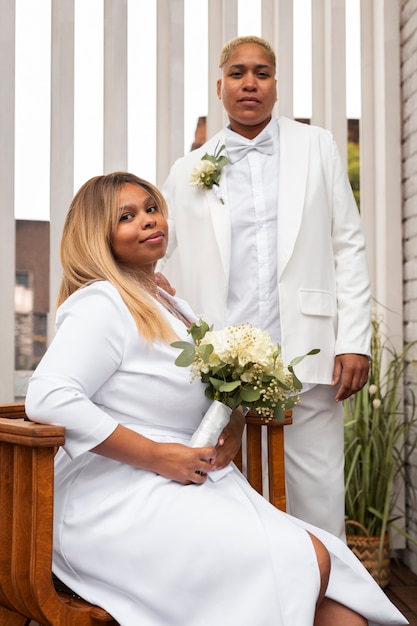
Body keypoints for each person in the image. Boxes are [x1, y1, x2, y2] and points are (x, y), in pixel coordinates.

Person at [24, 172, 407, 626]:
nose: (148, 220)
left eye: (151, 208)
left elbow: (208, 393)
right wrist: (158, 456)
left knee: (343, 609)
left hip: (190, 481)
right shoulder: (102, 303)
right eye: (127, 217)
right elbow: (48, 398)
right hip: (120, 491)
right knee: (310, 562)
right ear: (98, 236)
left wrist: (236, 422)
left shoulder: (173, 305)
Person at [159, 35, 372, 540]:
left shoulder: (316, 145)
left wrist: (354, 342)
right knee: (220, 495)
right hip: (219, 365)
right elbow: (157, 256)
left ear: (276, 85)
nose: (249, 82)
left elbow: (348, 246)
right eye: (237, 73)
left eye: (261, 72)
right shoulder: (187, 170)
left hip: (310, 352)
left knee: (316, 496)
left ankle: (326, 601)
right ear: (220, 86)